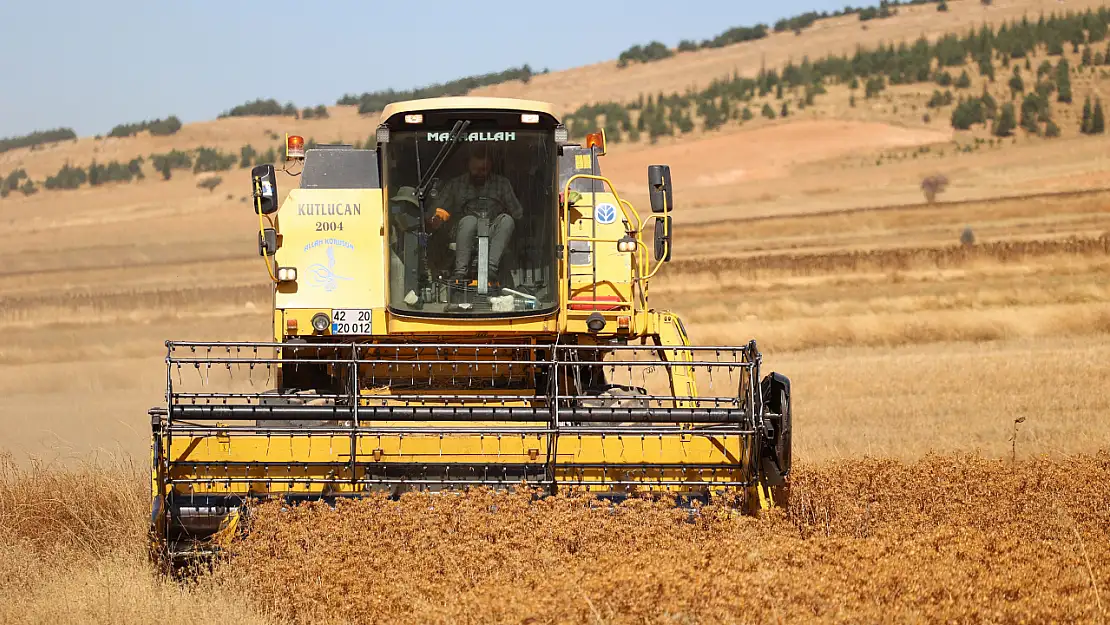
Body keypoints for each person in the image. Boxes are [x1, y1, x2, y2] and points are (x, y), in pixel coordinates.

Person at [433, 144, 524, 284]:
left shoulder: (502, 184)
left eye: (484, 169)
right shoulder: (455, 184)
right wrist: (438, 217)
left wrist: (509, 215)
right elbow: (437, 210)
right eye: (476, 170)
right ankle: (460, 272)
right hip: (461, 232)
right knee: (469, 220)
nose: (480, 173)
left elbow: (517, 213)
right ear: (468, 166)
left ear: (491, 166)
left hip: (493, 231)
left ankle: (491, 269)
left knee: (507, 220)